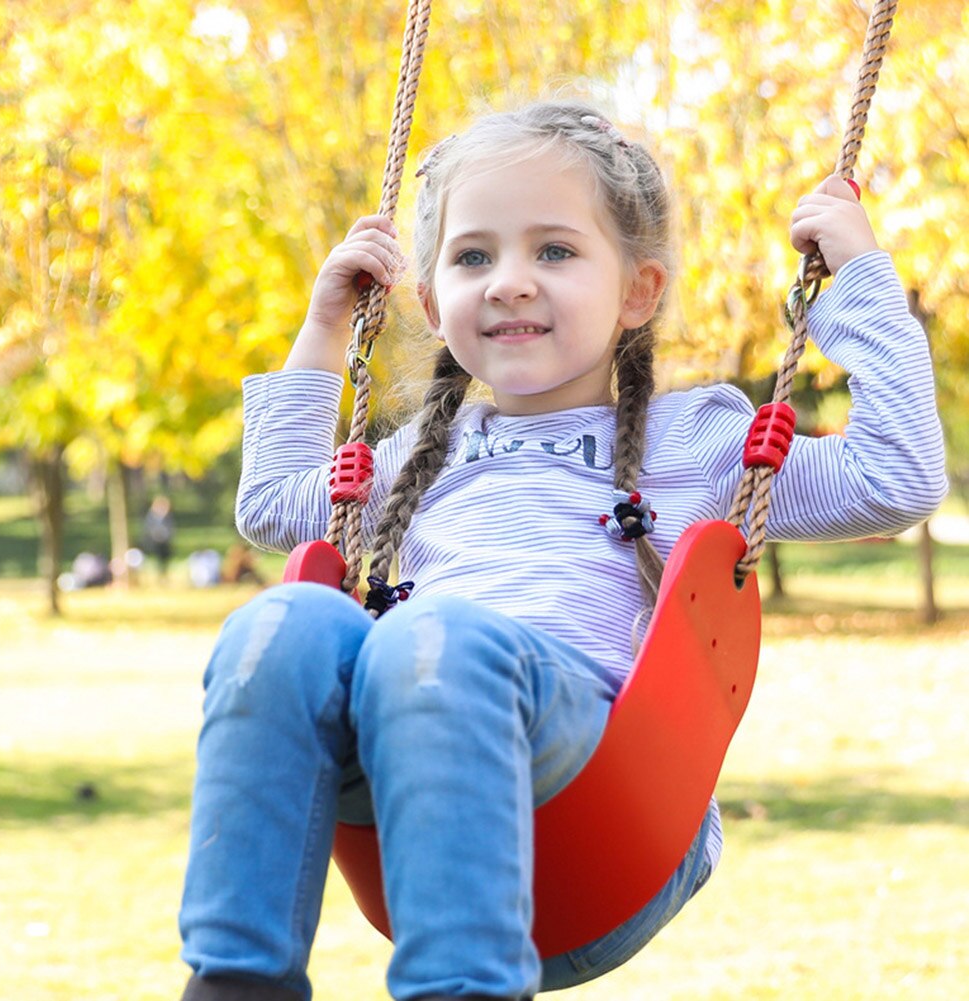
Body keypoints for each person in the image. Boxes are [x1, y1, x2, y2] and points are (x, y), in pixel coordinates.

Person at [177, 101, 947, 1001]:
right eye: (472, 256)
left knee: (437, 640)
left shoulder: (692, 438)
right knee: (282, 624)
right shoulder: (411, 461)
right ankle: (237, 978)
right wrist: (322, 329)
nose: (507, 280)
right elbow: (271, 503)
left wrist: (857, 280)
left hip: (603, 800)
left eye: (553, 250)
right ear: (430, 301)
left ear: (638, 290)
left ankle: (457, 988)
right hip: (409, 798)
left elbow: (895, 477)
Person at [143, 494, 176, 581]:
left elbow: (171, 528)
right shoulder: (151, 516)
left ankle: (164, 575)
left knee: (165, 559)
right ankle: (159, 575)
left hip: (165, 541)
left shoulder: (167, 516)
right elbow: (148, 527)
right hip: (156, 541)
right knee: (158, 559)